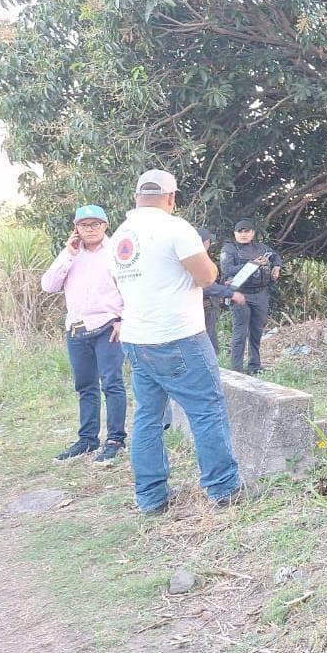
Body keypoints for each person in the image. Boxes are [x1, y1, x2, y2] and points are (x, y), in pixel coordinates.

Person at [109, 169, 242, 514]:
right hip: (178, 337)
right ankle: (223, 490)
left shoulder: (121, 235)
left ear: (137, 196)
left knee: (148, 417)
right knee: (206, 410)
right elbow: (206, 276)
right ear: (171, 197)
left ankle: (151, 499)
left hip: (137, 339)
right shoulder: (175, 228)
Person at [40, 205, 128, 464]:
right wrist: (69, 254)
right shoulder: (70, 253)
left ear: (105, 225)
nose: (90, 229)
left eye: (95, 224)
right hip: (77, 328)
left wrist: (123, 319)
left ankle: (115, 440)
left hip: (108, 327)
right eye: (84, 225)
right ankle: (88, 439)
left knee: (112, 383)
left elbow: (130, 286)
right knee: (85, 386)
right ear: (76, 228)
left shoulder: (117, 251)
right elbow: (48, 285)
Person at [219, 218, 281, 375]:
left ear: (253, 233)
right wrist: (252, 264)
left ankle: (255, 365)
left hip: (260, 294)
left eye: (247, 231)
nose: (243, 234)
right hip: (240, 294)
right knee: (240, 331)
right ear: (234, 234)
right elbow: (228, 270)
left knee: (257, 331)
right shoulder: (229, 249)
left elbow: (275, 256)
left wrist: (277, 267)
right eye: (240, 232)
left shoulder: (260, 247)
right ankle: (237, 369)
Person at [196, 227, 246, 357]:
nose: (210, 243)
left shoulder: (197, 258)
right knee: (209, 343)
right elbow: (206, 286)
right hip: (204, 307)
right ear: (203, 242)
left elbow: (209, 283)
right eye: (208, 241)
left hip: (205, 306)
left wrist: (223, 286)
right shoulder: (198, 260)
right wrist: (232, 294)